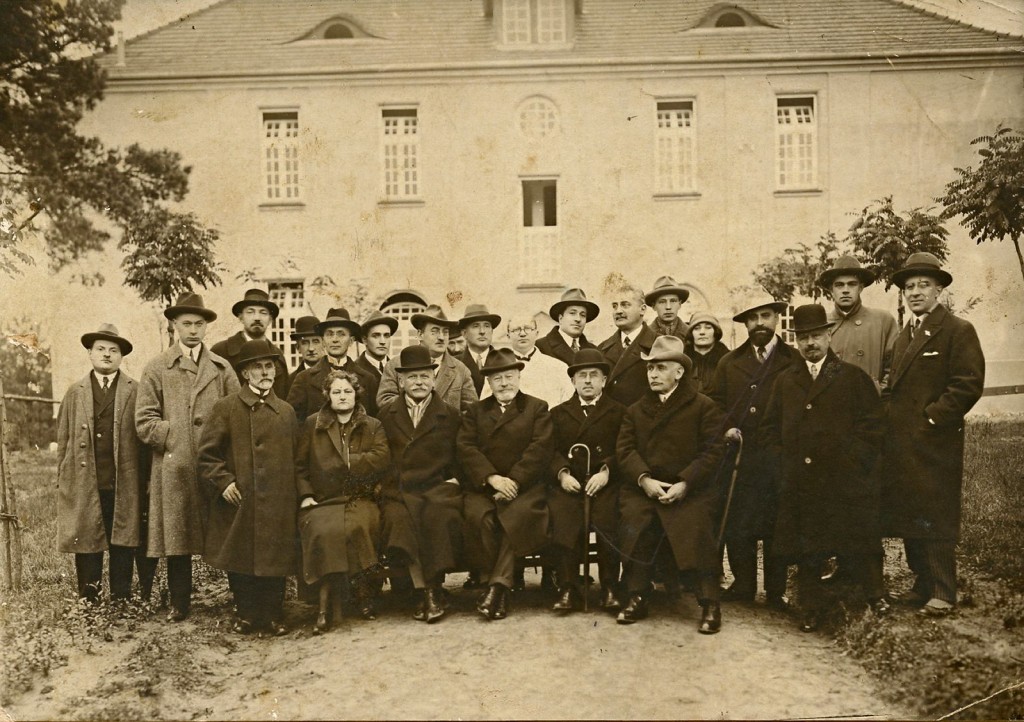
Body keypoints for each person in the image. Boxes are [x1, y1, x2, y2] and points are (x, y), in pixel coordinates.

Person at [761, 305, 888, 632]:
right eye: (803, 337)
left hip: (843, 479)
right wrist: (781, 464)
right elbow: (769, 430)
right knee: (808, 546)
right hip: (801, 480)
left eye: (816, 335)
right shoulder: (785, 381)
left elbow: (872, 428)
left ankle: (875, 596)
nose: (810, 343)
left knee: (860, 536)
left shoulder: (851, 377)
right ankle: (811, 607)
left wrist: (852, 461)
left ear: (829, 335)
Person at [881, 252, 985, 617]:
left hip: (935, 443)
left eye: (923, 284)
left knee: (935, 514)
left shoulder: (957, 330)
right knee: (911, 512)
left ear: (939, 289)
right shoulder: (904, 335)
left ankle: (943, 590)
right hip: (901, 443)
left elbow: (967, 384)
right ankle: (922, 582)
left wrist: (931, 420)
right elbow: (892, 386)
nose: (915, 292)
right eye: (909, 286)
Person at [136, 293, 240, 621]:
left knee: (226, 530)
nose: (193, 330)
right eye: (186, 324)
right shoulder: (157, 368)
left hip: (214, 466)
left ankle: (239, 597)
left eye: (199, 324)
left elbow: (237, 413)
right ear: (173, 325)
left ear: (207, 327)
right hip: (174, 464)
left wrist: (221, 449)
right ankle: (180, 603)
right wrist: (173, 437)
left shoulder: (222, 369)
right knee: (176, 536)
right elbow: (144, 420)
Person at [616, 336, 726, 633]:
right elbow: (625, 451)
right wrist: (644, 479)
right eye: (650, 369)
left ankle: (709, 601)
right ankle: (638, 594)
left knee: (697, 520)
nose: (652, 374)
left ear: (679, 372)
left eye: (660, 368)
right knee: (635, 518)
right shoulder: (636, 409)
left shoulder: (703, 406)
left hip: (689, 489)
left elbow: (713, 451)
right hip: (647, 488)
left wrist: (685, 483)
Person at [198, 339, 299, 636]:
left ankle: (273, 615)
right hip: (241, 498)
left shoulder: (286, 411)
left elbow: (296, 458)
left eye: (270, 366)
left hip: (277, 499)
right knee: (241, 558)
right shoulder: (226, 408)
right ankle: (246, 613)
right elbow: (206, 456)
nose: (265, 372)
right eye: (258, 367)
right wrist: (224, 481)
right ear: (245, 374)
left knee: (275, 557)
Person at [709, 294, 797, 609]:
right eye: (752, 318)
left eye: (765, 316)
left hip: (778, 456)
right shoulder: (729, 363)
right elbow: (715, 406)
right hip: (741, 456)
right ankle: (744, 585)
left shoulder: (793, 359)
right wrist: (726, 429)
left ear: (776, 318)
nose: (759, 323)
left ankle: (776, 591)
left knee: (776, 522)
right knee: (739, 522)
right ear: (745, 323)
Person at [56, 324, 151, 604]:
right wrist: (63, 476)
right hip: (86, 480)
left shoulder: (136, 391)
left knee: (123, 536)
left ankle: (121, 596)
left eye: (114, 350)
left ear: (121, 357)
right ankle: (89, 596)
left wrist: (144, 480)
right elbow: (64, 438)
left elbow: (144, 440)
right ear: (90, 353)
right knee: (86, 536)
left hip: (124, 479)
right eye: (101, 349)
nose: (107, 355)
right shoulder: (75, 392)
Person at [458, 349, 554, 620]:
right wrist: (492, 479)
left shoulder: (537, 407)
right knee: (483, 518)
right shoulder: (475, 411)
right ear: (488, 383)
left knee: (515, 517)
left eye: (509, 376)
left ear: (519, 376)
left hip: (525, 486)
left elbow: (540, 449)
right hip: (486, 486)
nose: (504, 383)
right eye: (497, 378)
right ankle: (499, 585)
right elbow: (466, 447)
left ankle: (497, 587)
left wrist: (514, 480)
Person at [296, 371, 391, 632]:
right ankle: (325, 601)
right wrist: (306, 496)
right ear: (327, 396)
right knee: (323, 530)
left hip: (361, 497)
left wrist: (349, 462)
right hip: (323, 500)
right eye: (336, 392)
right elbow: (300, 466)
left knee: (357, 526)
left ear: (356, 393)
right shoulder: (313, 424)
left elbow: (382, 457)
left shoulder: (372, 425)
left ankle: (363, 592)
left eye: (347, 391)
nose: (342, 396)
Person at [377, 345, 464, 623]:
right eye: (412, 377)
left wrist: (455, 478)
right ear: (400, 381)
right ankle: (423, 592)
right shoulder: (387, 415)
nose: (419, 383)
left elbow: (460, 455)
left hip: (437, 486)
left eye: (425, 376)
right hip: (399, 489)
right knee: (400, 519)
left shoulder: (450, 415)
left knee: (437, 515)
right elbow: (382, 458)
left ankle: (433, 589)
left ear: (434, 379)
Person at [547, 349, 626, 613]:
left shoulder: (619, 411)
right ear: (573, 381)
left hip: (604, 483)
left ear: (604, 380)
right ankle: (568, 587)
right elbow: (550, 451)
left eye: (594, 375)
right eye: (582, 376)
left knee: (608, 516)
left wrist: (606, 472)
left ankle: (609, 586)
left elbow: (625, 449)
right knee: (564, 514)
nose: (588, 381)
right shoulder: (557, 413)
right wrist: (562, 473)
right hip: (572, 484)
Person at [817, 256, 898, 389]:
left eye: (852, 284)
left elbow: (894, 367)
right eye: (839, 285)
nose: (845, 290)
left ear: (860, 288)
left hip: (870, 404)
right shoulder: (822, 323)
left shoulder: (882, 320)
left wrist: (879, 392)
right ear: (831, 290)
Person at [376, 304, 477, 412]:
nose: (441, 337)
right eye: (434, 331)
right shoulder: (395, 365)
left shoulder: (460, 370)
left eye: (445, 332)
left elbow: (471, 411)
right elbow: (384, 401)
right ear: (420, 334)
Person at [287, 308, 376, 422]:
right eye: (329, 334)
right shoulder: (303, 378)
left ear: (351, 341)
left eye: (341, 334)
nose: (335, 340)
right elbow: (293, 422)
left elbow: (373, 424)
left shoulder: (368, 379)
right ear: (323, 340)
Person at [211, 288, 289, 400]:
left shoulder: (277, 355)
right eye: (250, 312)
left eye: (263, 313)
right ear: (241, 317)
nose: (257, 318)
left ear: (270, 319)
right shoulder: (220, 352)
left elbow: (283, 399)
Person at [489, 312, 573, 408]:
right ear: (508, 336)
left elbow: (569, 406)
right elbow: (487, 406)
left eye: (528, 328)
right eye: (516, 330)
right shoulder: (496, 369)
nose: (522, 334)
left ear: (536, 333)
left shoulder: (558, 367)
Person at [597, 281, 657, 407]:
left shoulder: (659, 345)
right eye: (614, 306)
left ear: (642, 309)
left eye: (625, 305)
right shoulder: (602, 349)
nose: (618, 311)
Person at [535, 288, 599, 365]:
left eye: (583, 315)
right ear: (560, 318)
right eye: (572, 313)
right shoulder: (540, 346)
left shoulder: (594, 350)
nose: (578, 319)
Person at [355, 310, 398, 411]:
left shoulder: (397, 368)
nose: (382, 341)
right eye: (376, 336)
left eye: (386, 336)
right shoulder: (354, 370)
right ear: (365, 340)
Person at [456, 304, 501, 396]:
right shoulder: (455, 363)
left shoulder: (504, 360)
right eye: (476, 326)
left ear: (492, 332)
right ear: (464, 333)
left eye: (487, 326)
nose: (482, 331)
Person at [685, 312, 730, 395]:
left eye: (708, 328)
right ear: (691, 333)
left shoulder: (728, 360)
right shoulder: (683, 360)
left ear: (716, 332)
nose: (702, 332)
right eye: (696, 328)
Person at [284, 315, 323, 398]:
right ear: (298, 347)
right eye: (305, 343)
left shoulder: (334, 375)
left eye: (316, 342)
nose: (311, 348)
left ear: (323, 344)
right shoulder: (290, 381)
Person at [645, 276, 690, 340]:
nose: (668, 307)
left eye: (673, 301)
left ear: (679, 304)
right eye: (662, 302)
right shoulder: (645, 335)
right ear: (653, 306)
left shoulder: (691, 334)